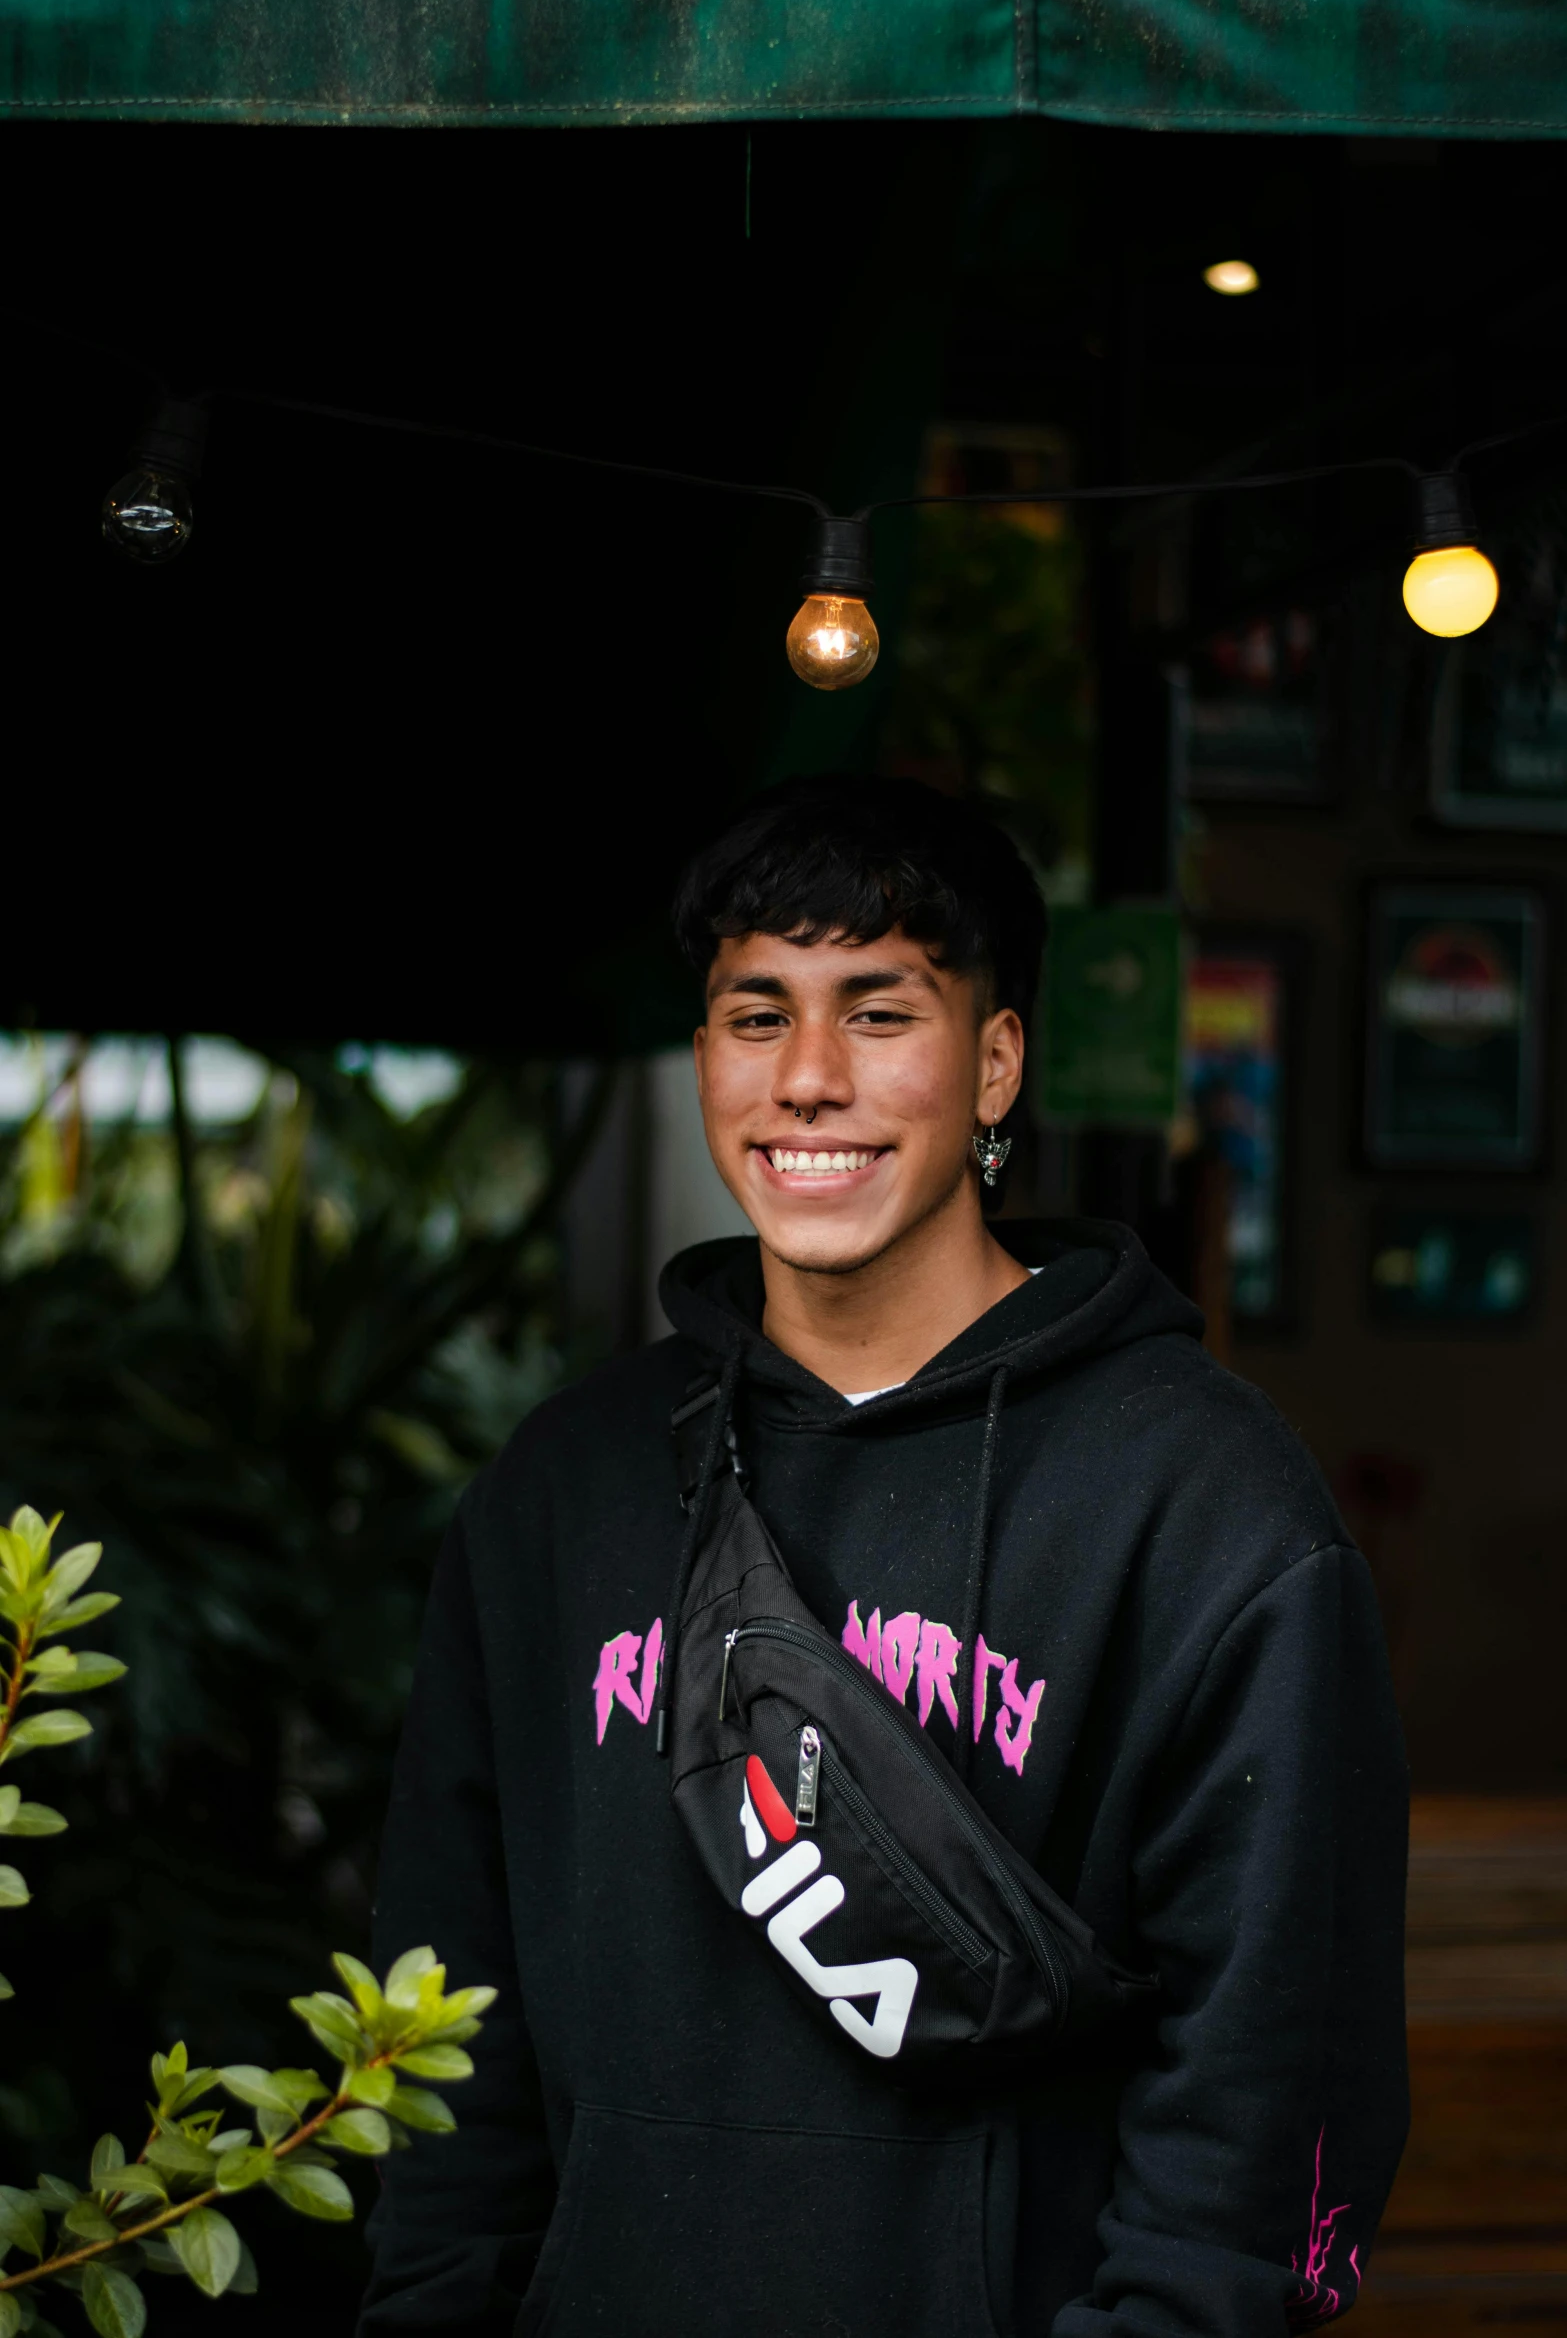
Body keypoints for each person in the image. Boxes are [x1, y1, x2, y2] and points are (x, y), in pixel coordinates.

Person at [358, 775, 1408, 2338]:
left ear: (994, 1061)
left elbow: (1261, 2070)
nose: (808, 1079)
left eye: (879, 1009)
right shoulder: (562, 1491)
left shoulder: (1202, 1507)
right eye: (755, 1012)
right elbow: (450, 2003)